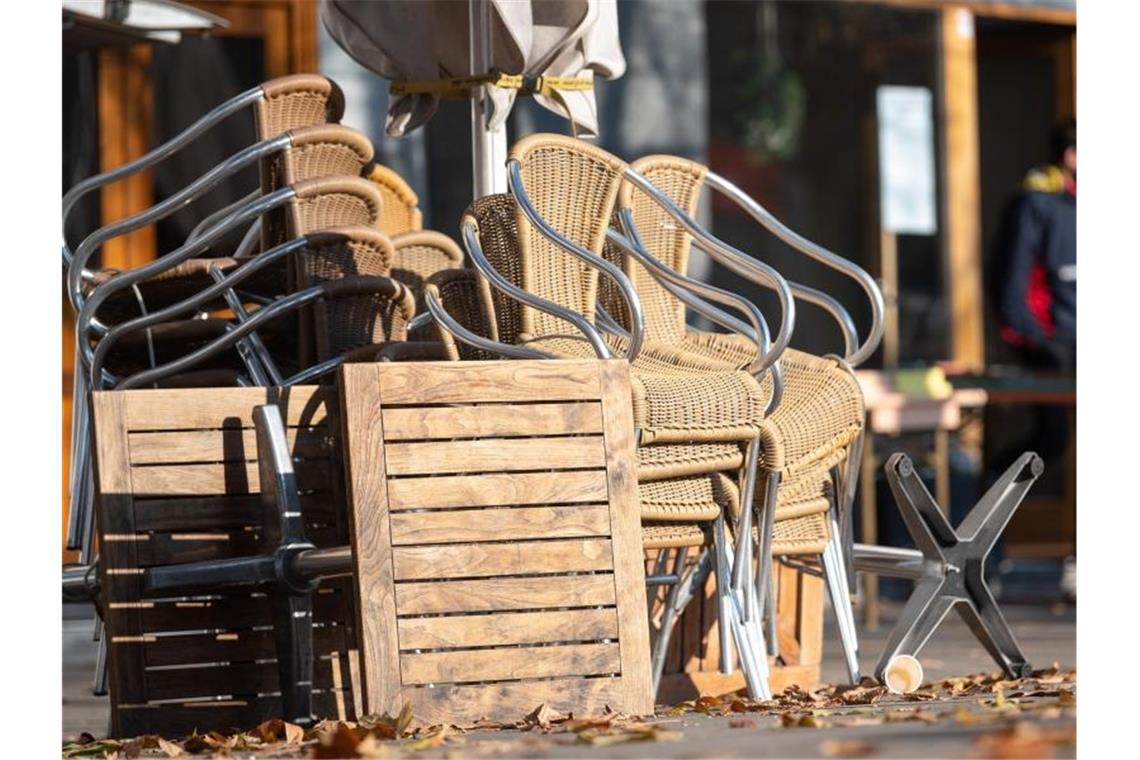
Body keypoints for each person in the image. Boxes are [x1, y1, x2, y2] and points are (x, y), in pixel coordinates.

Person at [991, 119, 1076, 372]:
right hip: (1056, 348)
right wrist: (1040, 343)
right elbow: (1012, 280)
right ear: (1071, 156)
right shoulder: (1035, 205)